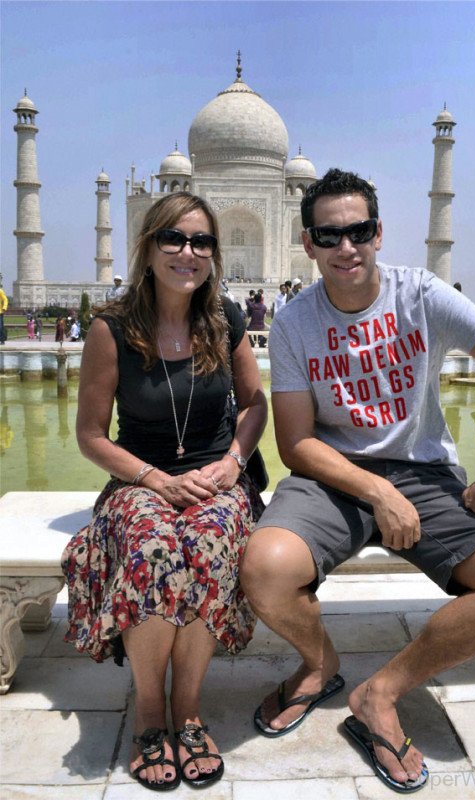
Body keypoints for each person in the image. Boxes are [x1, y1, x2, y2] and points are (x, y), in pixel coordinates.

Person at [241, 168, 475, 793]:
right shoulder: (296, 320)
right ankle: (319, 663)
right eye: (329, 236)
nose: (345, 247)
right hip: (332, 475)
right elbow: (295, 442)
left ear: (379, 233)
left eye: (358, 231)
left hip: (425, 472)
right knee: (264, 568)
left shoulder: (420, 294)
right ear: (307, 243)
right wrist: (377, 491)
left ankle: (380, 694)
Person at [61, 191, 267, 792]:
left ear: (214, 252)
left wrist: (233, 463)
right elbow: (90, 435)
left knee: (204, 543)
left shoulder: (224, 318)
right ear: (148, 247)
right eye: (173, 239)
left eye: (201, 241)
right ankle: (151, 711)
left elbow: (255, 405)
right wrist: (151, 478)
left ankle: (190, 708)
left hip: (215, 477)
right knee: (154, 549)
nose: (187, 252)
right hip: (139, 478)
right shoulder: (114, 329)